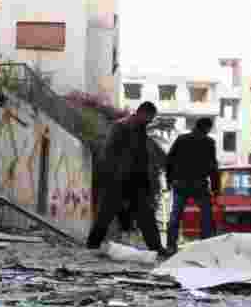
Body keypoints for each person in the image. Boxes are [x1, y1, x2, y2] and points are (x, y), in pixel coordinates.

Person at [87, 101, 168, 256]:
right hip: (119, 179)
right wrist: (111, 177)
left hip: (137, 182)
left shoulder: (140, 129)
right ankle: (92, 244)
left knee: (146, 216)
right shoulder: (121, 126)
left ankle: (156, 248)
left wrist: (146, 180)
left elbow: (141, 157)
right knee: (106, 214)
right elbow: (108, 153)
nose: (150, 121)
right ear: (142, 113)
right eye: (149, 118)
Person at [165, 116, 219, 254]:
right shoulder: (209, 142)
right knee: (206, 215)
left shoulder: (182, 139)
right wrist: (215, 188)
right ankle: (205, 245)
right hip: (199, 185)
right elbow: (213, 167)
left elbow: (169, 160)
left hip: (180, 184)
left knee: (175, 215)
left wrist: (169, 180)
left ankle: (171, 245)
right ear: (206, 128)